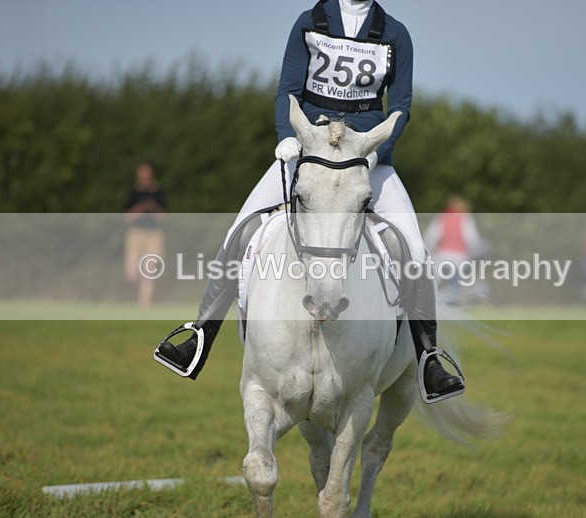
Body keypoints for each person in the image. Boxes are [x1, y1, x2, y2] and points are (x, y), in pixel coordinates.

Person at [155, 0, 465, 401]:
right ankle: (199, 335)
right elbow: (288, 90)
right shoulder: (309, 22)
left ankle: (429, 359)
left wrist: (372, 155)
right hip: (307, 154)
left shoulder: (395, 34)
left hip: (368, 159)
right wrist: (287, 135)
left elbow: (400, 107)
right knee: (240, 230)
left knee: (416, 250)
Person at [124, 162, 167, 307]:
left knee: (149, 272)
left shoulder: (157, 192)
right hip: (136, 234)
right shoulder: (134, 192)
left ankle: (144, 306)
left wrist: (153, 208)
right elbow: (128, 217)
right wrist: (141, 209)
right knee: (132, 274)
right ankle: (137, 298)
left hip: (154, 235)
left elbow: (164, 217)